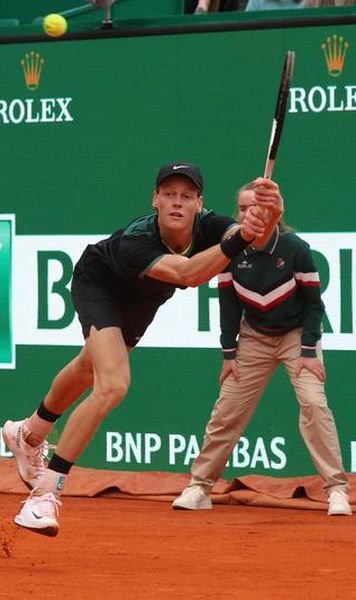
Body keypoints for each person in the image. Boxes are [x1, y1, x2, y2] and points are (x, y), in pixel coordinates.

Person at [3, 163, 283, 537]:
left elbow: (255, 237)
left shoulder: (211, 225)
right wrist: (241, 238)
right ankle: (43, 495)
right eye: (169, 194)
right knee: (113, 384)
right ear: (155, 199)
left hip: (140, 302)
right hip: (99, 283)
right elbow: (188, 274)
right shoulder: (138, 238)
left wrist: (270, 214)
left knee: (89, 366)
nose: (177, 203)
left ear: (200, 203)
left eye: (186, 196)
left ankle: (29, 432)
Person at [173, 182, 351, 516]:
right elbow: (228, 304)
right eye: (241, 209)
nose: (246, 214)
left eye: (254, 207)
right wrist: (229, 353)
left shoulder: (295, 248)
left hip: (297, 336)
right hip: (253, 337)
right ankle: (199, 487)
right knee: (227, 410)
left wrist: (310, 351)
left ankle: (337, 490)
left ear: (270, 211)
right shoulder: (228, 251)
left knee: (314, 403)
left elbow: (315, 305)